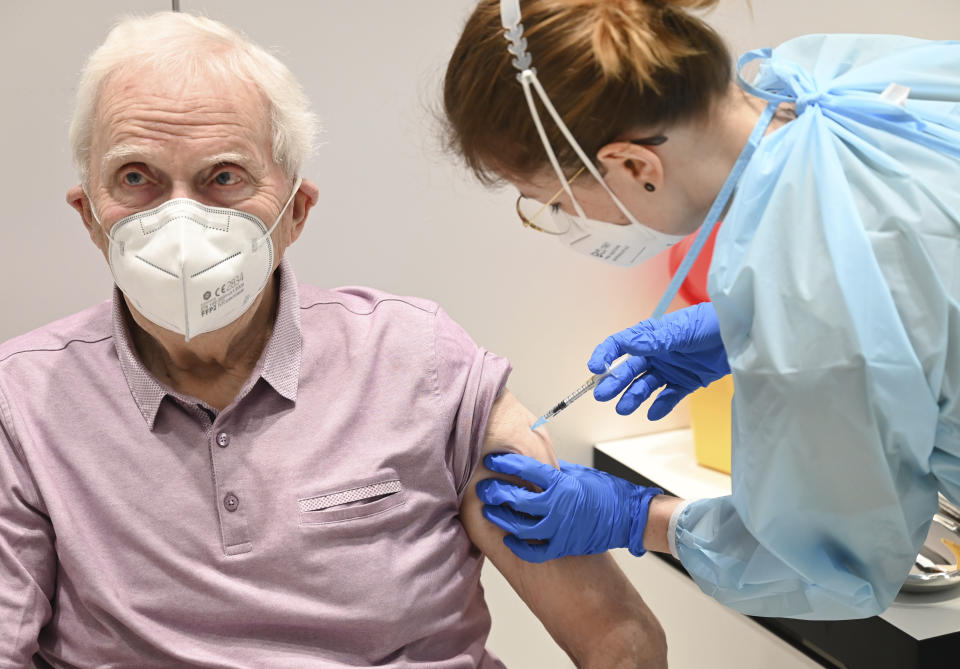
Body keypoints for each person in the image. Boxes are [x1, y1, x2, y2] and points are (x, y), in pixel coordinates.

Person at [0, 12, 668, 668]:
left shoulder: (420, 364)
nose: (181, 222)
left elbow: (617, 637)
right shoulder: (23, 406)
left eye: (224, 176)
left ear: (295, 212)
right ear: (91, 215)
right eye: (136, 177)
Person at [441, 0, 960, 620]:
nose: (564, 224)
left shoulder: (806, 295)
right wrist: (743, 329)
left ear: (633, 165)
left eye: (550, 202)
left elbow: (830, 564)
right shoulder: (844, 78)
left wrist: (635, 517)